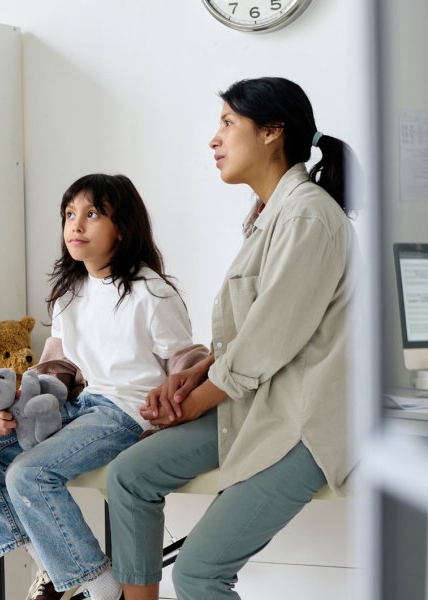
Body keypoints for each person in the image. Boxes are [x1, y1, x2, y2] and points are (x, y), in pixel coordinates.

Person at [106, 77, 357, 600]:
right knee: (129, 475)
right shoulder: (268, 216)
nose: (213, 140)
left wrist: (194, 401)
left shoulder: (309, 216)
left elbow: (267, 341)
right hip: (256, 403)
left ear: (271, 132)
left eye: (227, 123)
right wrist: (191, 377)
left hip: (301, 423)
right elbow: (248, 332)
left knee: (198, 574)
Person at [0, 173, 196, 600]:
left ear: (123, 228)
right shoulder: (69, 292)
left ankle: (99, 586)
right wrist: (20, 407)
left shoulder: (151, 292)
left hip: (125, 414)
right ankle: (57, 573)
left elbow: (184, 362)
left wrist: (176, 403)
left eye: (92, 214)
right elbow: (59, 365)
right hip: (79, 408)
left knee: (30, 474)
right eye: (69, 214)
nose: (75, 225)